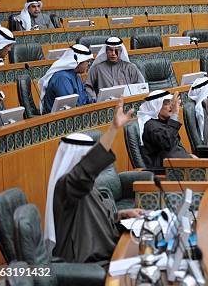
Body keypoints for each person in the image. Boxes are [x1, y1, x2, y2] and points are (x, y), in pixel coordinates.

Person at [45, 100, 144, 263]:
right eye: (86, 157)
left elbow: (93, 220)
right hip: (83, 261)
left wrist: (121, 215)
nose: (90, 162)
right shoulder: (67, 185)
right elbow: (87, 168)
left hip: (100, 251)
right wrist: (113, 129)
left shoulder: (85, 185)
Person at [138, 90, 193, 169]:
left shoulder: (165, 122)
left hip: (181, 165)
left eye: (171, 103)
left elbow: (175, 145)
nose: (171, 106)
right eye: (166, 103)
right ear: (155, 106)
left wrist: (189, 156)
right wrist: (174, 115)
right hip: (167, 170)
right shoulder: (150, 126)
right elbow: (167, 142)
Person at [39, 44, 95, 114]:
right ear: (78, 61)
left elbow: (85, 99)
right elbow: (70, 106)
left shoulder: (76, 75)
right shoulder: (62, 78)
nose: (89, 64)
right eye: (88, 61)